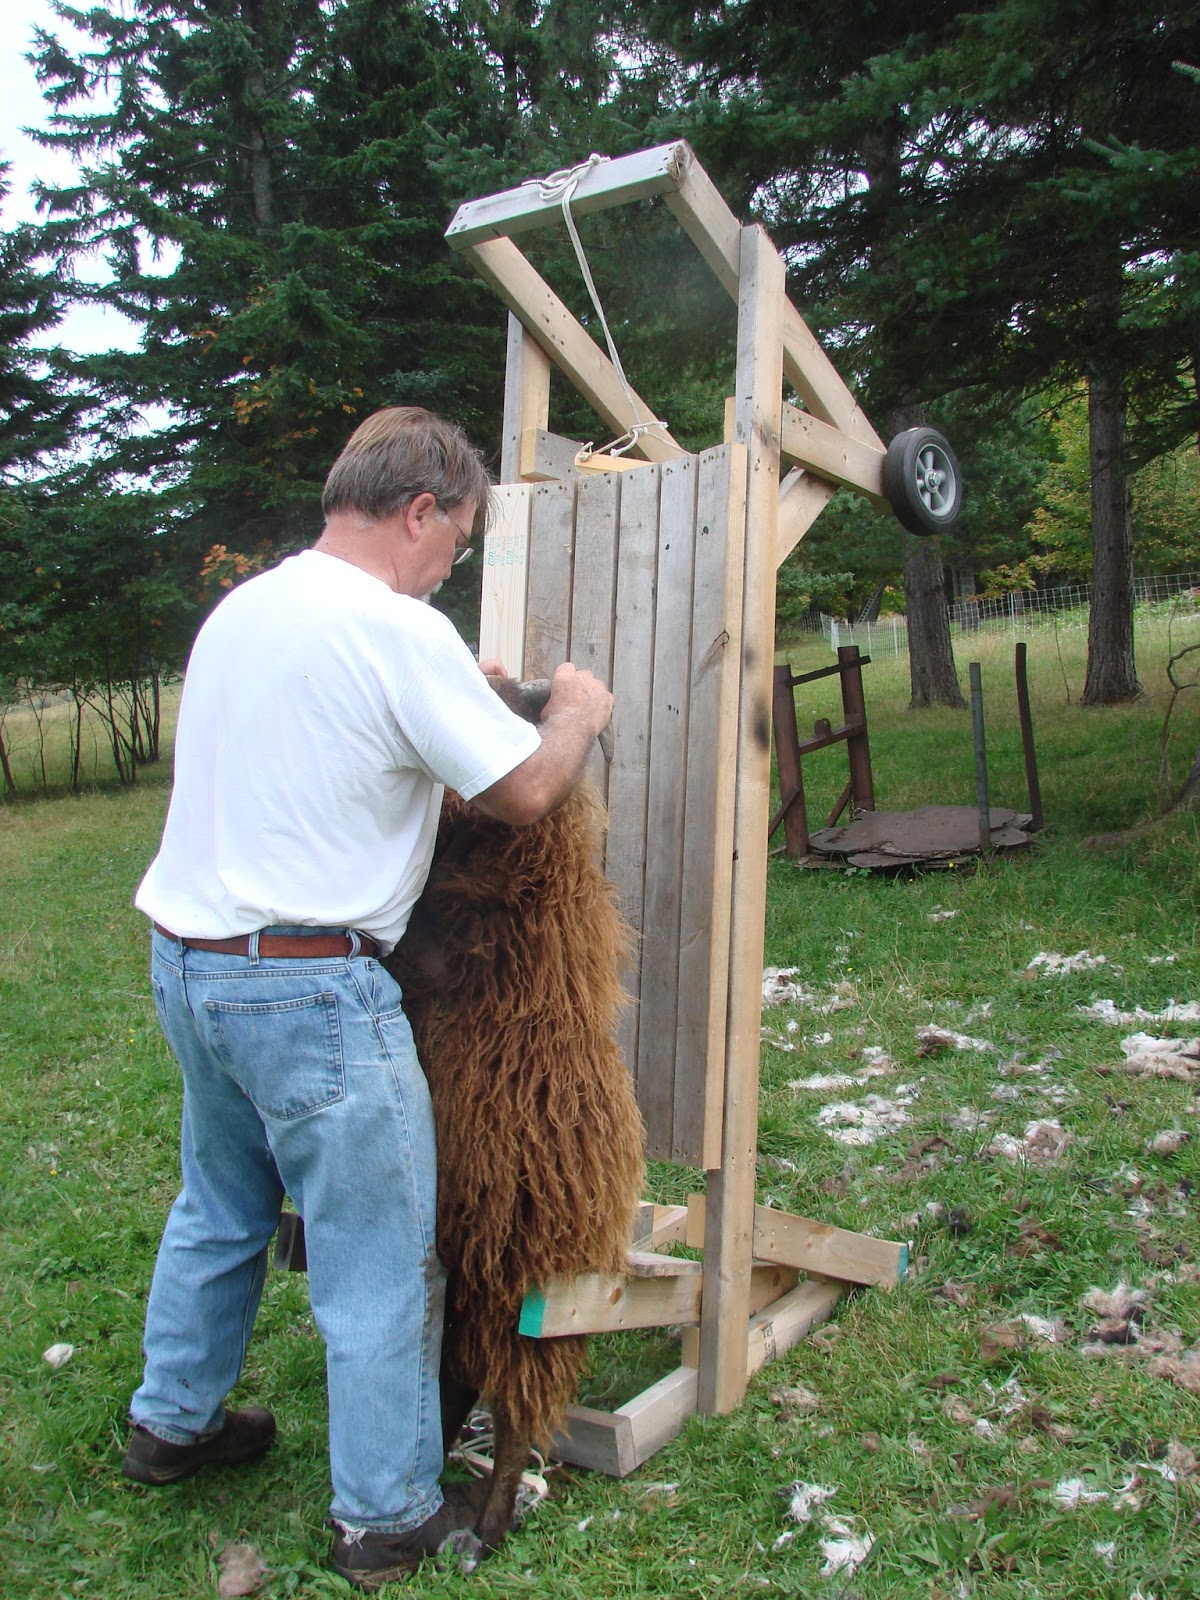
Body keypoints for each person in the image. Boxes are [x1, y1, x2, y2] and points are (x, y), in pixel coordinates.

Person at [125, 406, 614, 1590]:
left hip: (189, 961)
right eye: (457, 542)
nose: (451, 567)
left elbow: (336, 747)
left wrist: (453, 694)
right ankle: (387, 1514)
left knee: (221, 1202)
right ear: (419, 511)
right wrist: (574, 715)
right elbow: (522, 793)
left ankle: (172, 1421)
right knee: (380, 1254)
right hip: (305, 991)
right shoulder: (396, 628)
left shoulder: (247, 608)